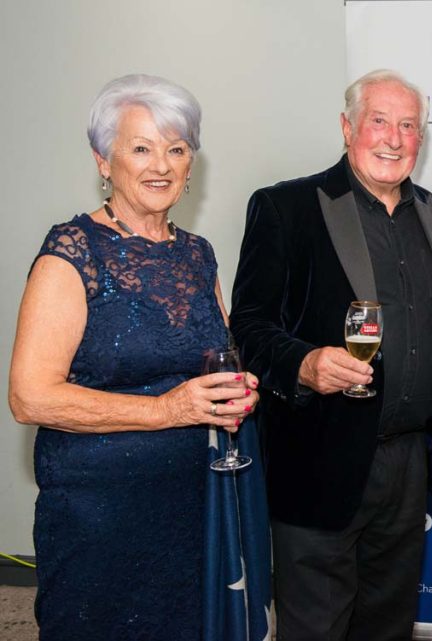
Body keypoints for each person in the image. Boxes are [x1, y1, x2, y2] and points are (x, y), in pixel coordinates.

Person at [7, 74, 261, 640]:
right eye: (141, 148)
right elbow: (30, 396)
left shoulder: (198, 255)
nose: (161, 165)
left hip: (195, 508)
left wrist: (235, 390)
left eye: (176, 149)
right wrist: (169, 411)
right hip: (99, 517)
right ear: (104, 160)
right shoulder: (73, 252)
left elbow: (213, 359)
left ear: (191, 163)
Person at [229, 69, 432, 640]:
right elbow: (250, 327)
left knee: (386, 628)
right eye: (378, 121)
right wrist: (304, 365)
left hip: (408, 464)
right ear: (347, 127)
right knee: (316, 627)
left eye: (408, 126)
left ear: (421, 140)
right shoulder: (286, 208)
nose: (392, 137)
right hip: (319, 458)